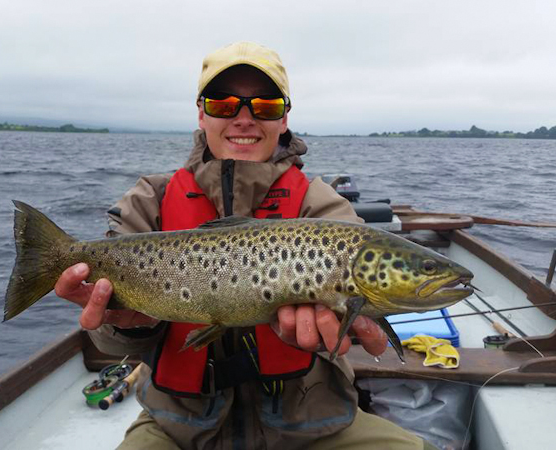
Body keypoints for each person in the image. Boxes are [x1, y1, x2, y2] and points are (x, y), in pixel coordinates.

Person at [54, 42, 432, 449]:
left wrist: (358, 332)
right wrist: (121, 324)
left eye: (265, 106)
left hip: (313, 425)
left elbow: (366, 334)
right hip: (178, 427)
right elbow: (109, 341)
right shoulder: (150, 200)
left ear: (284, 118)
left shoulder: (320, 205)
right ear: (201, 112)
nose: (245, 118)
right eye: (224, 104)